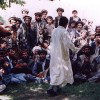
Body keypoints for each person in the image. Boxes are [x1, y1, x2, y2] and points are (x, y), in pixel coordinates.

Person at [47, 16, 79, 96]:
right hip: (61, 53)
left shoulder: (54, 30)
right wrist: (75, 49)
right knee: (60, 70)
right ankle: (53, 89)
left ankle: (53, 87)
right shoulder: (64, 31)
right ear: (66, 24)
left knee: (55, 69)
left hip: (54, 54)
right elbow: (68, 43)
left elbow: (52, 42)